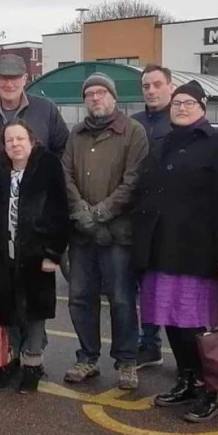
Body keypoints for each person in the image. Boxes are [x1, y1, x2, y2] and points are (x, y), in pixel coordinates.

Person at [133, 80, 218, 422]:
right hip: (161, 248)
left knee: (196, 325)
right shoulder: (161, 143)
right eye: (177, 103)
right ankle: (186, 379)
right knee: (171, 321)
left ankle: (210, 389)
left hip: (198, 252)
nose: (181, 107)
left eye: (189, 103)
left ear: (203, 108)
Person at [62, 73, 148, 389]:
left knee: (122, 300)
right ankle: (87, 357)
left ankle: (127, 361)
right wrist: (83, 216)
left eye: (101, 93)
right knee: (80, 298)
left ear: (113, 97)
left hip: (118, 235)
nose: (95, 98)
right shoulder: (76, 134)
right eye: (89, 94)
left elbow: (133, 182)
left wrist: (100, 214)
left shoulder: (133, 132)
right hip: (81, 235)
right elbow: (66, 177)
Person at [0, 120, 70, 395]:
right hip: (1, 257)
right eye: (9, 140)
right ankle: (8, 362)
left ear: (31, 140)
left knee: (34, 315)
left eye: (20, 139)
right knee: (7, 314)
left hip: (36, 257)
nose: (15, 144)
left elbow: (59, 213)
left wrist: (53, 253)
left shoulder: (48, 167)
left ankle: (32, 365)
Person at [130, 64, 175, 369]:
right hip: (138, 217)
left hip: (173, 221)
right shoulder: (133, 123)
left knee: (173, 288)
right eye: (146, 86)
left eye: (157, 84)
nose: (151, 91)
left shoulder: (181, 120)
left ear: (170, 86)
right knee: (145, 286)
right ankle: (149, 344)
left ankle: (189, 352)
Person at [0, 53, 69, 171]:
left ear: (24, 79)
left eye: (14, 78)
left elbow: (65, 151)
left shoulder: (46, 110)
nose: (9, 84)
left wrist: (47, 177)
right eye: (3, 78)